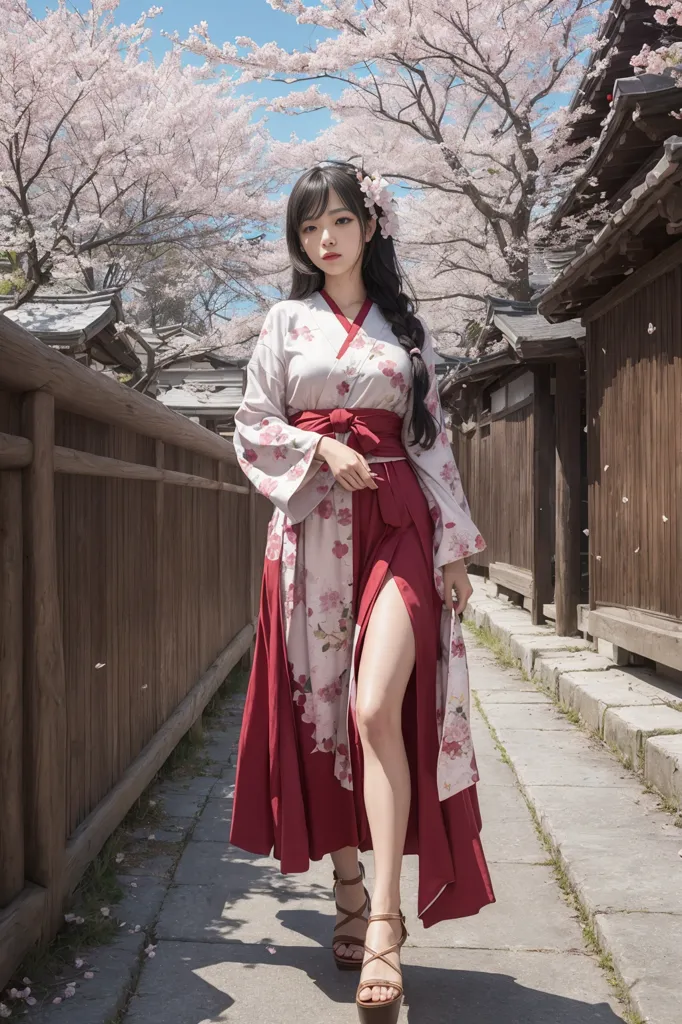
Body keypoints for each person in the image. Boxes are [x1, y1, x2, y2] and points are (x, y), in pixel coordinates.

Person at [230, 160, 495, 1023]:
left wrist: (454, 548)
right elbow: (251, 422)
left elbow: (433, 442)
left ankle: (384, 920)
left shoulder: (406, 332)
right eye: (310, 228)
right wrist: (316, 452)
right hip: (311, 531)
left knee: (377, 704)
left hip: (398, 524)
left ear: (369, 227)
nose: (326, 239)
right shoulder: (284, 322)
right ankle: (347, 882)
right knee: (325, 710)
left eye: (340, 221)